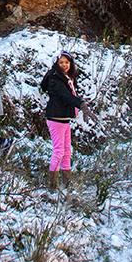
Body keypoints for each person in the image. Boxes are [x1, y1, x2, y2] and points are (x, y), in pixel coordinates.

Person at [40, 51, 96, 189]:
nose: (64, 65)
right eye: (61, 62)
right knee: (58, 151)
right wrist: (81, 104)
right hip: (56, 117)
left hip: (64, 118)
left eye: (67, 62)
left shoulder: (67, 78)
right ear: (56, 64)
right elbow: (65, 96)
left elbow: (69, 95)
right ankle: (52, 185)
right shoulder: (55, 78)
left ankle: (67, 182)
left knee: (67, 151)